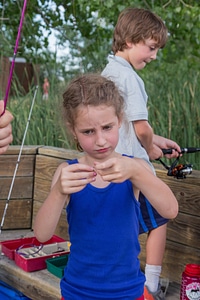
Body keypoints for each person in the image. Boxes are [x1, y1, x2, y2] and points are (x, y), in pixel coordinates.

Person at [34, 74, 178, 300]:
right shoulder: (67, 172)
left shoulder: (135, 168)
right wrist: (58, 191)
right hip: (77, 291)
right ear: (73, 130)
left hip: (128, 291)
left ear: (120, 120)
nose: (100, 140)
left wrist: (138, 171)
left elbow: (170, 210)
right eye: (88, 132)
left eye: (107, 127)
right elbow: (42, 235)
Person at [101, 7, 181, 300]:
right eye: (151, 47)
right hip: (133, 169)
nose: (154, 55)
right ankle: (151, 284)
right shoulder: (131, 79)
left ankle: (121, 279)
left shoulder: (107, 74)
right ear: (132, 39)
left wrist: (159, 142)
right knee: (161, 217)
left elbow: (125, 129)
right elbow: (141, 129)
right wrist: (149, 146)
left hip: (111, 166)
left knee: (122, 226)